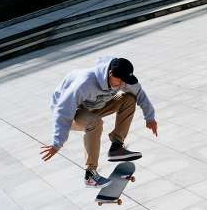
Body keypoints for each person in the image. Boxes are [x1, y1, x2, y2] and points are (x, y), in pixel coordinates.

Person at [41, 56, 158, 187]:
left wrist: (150, 117)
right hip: (71, 112)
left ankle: (116, 147)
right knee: (95, 123)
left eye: (124, 82)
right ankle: (90, 175)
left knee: (129, 98)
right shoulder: (84, 83)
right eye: (119, 81)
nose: (122, 85)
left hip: (94, 107)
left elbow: (140, 94)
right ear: (110, 74)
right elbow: (63, 110)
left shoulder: (123, 79)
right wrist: (57, 143)